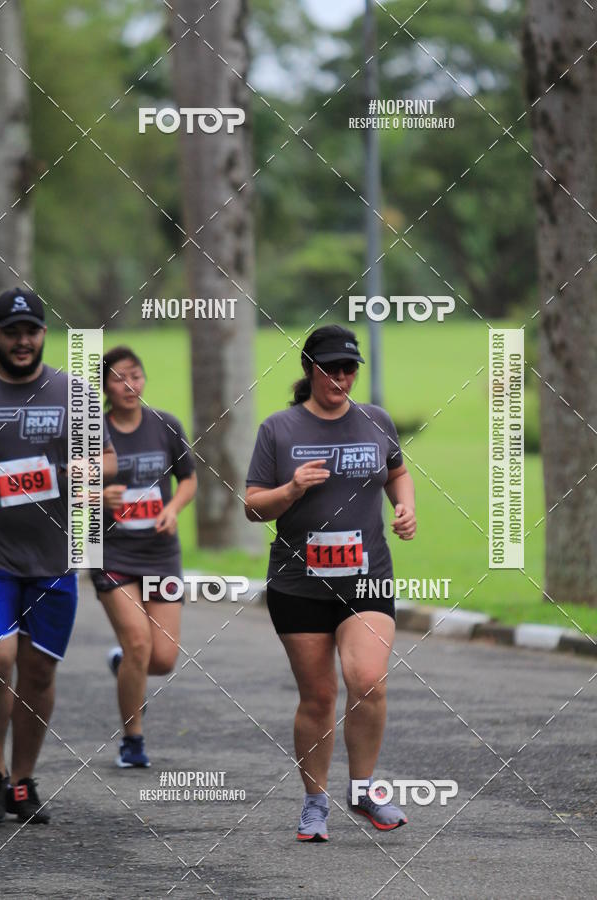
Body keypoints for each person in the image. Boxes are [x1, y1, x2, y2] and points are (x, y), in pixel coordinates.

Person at [245, 324, 416, 842]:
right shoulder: (279, 430)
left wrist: (404, 506)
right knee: (318, 697)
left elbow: (397, 472)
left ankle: (362, 790)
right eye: (330, 369)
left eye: (349, 368)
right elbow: (253, 506)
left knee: (367, 681)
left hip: (367, 577)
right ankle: (314, 802)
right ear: (309, 370)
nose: (341, 377)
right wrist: (291, 489)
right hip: (299, 583)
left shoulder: (375, 420)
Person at [0, 286, 117, 824]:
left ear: (45, 334)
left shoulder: (75, 393)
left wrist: (69, 476)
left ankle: (21, 780)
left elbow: (109, 462)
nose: (22, 341)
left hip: (53, 559)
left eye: (31, 331)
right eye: (11, 332)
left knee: (39, 672)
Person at [90, 346, 197, 768]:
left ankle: (124, 666)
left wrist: (172, 509)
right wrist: (98, 494)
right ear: (106, 387)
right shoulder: (93, 432)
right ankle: (132, 740)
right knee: (137, 642)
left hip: (160, 553)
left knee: (163, 658)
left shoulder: (165, 425)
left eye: (136, 375)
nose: (129, 385)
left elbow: (187, 481)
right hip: (112, 552)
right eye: (119, 378)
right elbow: (67, 493)